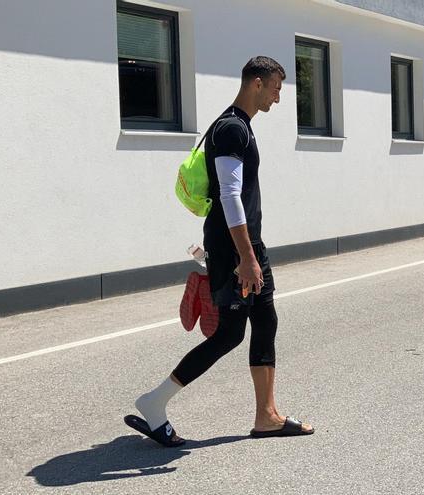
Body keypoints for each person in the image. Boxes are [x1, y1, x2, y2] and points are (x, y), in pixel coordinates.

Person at [125, 56, 314, 446]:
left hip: (244, 246)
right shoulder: (232, 129)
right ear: (257, 83)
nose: (278, 99)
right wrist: (246, 258)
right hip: (235, 251)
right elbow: (229, 196)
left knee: (264, 321)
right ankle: (155, 401)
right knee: (229, 334)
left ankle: (266, 416)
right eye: (276, 89)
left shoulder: (236, 125)